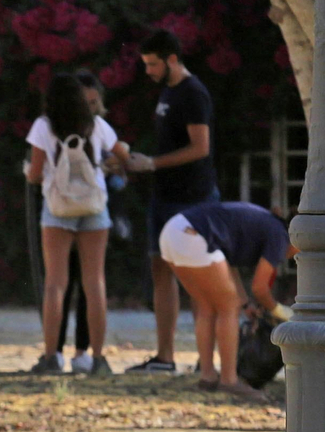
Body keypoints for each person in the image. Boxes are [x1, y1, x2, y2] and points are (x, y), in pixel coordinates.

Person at [124, 29, 220, 374]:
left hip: (193, 197)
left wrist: (152, 163)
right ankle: (165, 357)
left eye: (152, 64)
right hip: (164, 196)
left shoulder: (194, 94)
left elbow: (200, 148)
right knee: (160, 270)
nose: (148, 71)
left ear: (172, 60)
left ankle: (206, 358)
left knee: (197, 276)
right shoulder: (168, 91)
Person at [26, 72, 128, 376]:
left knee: (55, 283)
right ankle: (97, 358)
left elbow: (34, 174)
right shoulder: (96, 125)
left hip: (58, 208)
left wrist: (29, 173)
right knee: (94, 282)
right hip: (94, 207)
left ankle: (51, 357)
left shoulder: (43, 126)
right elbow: (121, 152)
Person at [158, 200, 294, 402]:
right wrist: (280, 311)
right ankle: (229, 381)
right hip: (192, 235)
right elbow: (260, 287)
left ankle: (208, 376)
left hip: (173, 232)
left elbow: (229, 265)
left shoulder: (268, 224)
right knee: (228, 307)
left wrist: (246, 303)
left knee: (207, 307)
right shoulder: (280, 236)